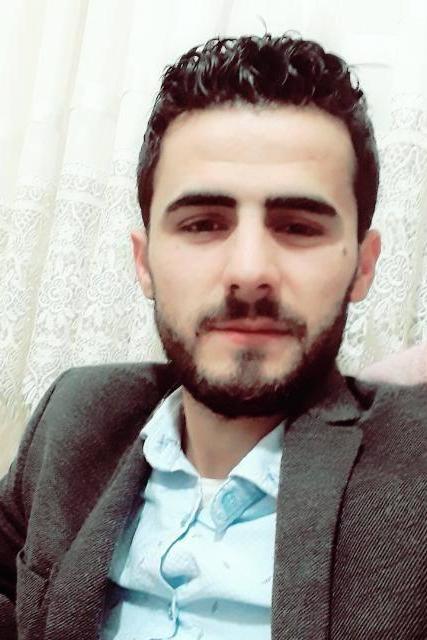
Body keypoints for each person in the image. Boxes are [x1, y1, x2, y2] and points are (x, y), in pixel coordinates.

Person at [0, 34, 425, 640]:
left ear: (363, 264)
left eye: (298, 227)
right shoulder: (77, 415)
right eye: (202, 224)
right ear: (144, 261)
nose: (249, 271)